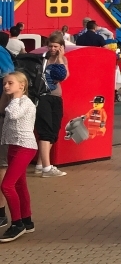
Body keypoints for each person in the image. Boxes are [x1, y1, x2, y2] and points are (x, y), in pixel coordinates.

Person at [0, 71, 37, 241]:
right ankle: (27, 220)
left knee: (7, 185)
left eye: (10, 83)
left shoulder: (24, 102)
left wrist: (15, 97)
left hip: (25, 146)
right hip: (14, 146)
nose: (6, 86)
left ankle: (17, 224)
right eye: (4, 83)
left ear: (21, 85)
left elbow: (14, 115)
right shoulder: (13, 101)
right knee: (20, 185)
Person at [35, 33, 68, 178]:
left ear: (61, 47)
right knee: (46, 130)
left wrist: (60, 58)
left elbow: (66, 75)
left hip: (56, 97)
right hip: (43, 97)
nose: (53, 49)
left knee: (54, 131)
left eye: (56, 46)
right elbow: (59, 76)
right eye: (50, 46)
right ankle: (46, 168)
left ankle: (40, 164)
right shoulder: (43, 59)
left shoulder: (62, 59)